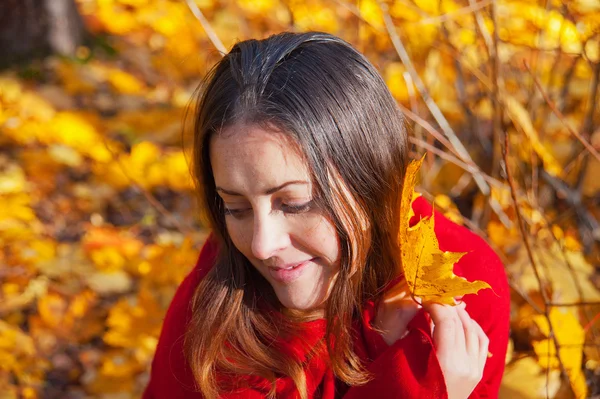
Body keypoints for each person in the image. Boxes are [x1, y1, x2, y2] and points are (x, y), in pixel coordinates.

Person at [142, 31, 510, 399]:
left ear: (369, 179)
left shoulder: (461, 284)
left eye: (294, 203)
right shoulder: (224, 293)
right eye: (236, 207)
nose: (261, 244)